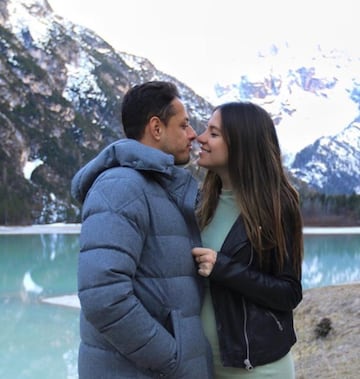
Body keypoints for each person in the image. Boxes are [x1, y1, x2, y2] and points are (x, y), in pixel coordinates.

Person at [71, 81, 213, 379]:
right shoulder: (121, 186)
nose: (193, 135)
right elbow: (103, 296)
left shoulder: (155, 187)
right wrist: (172, 359)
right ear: (156, 128)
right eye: (184, 125)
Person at [191, 101, 304, 378]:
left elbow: (289, 292)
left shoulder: (277, 206)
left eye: (213, 133)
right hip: (204, 366)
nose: (200, 138)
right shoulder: (201, 203)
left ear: (241, 144)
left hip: (259, 370)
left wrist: (224, 269)